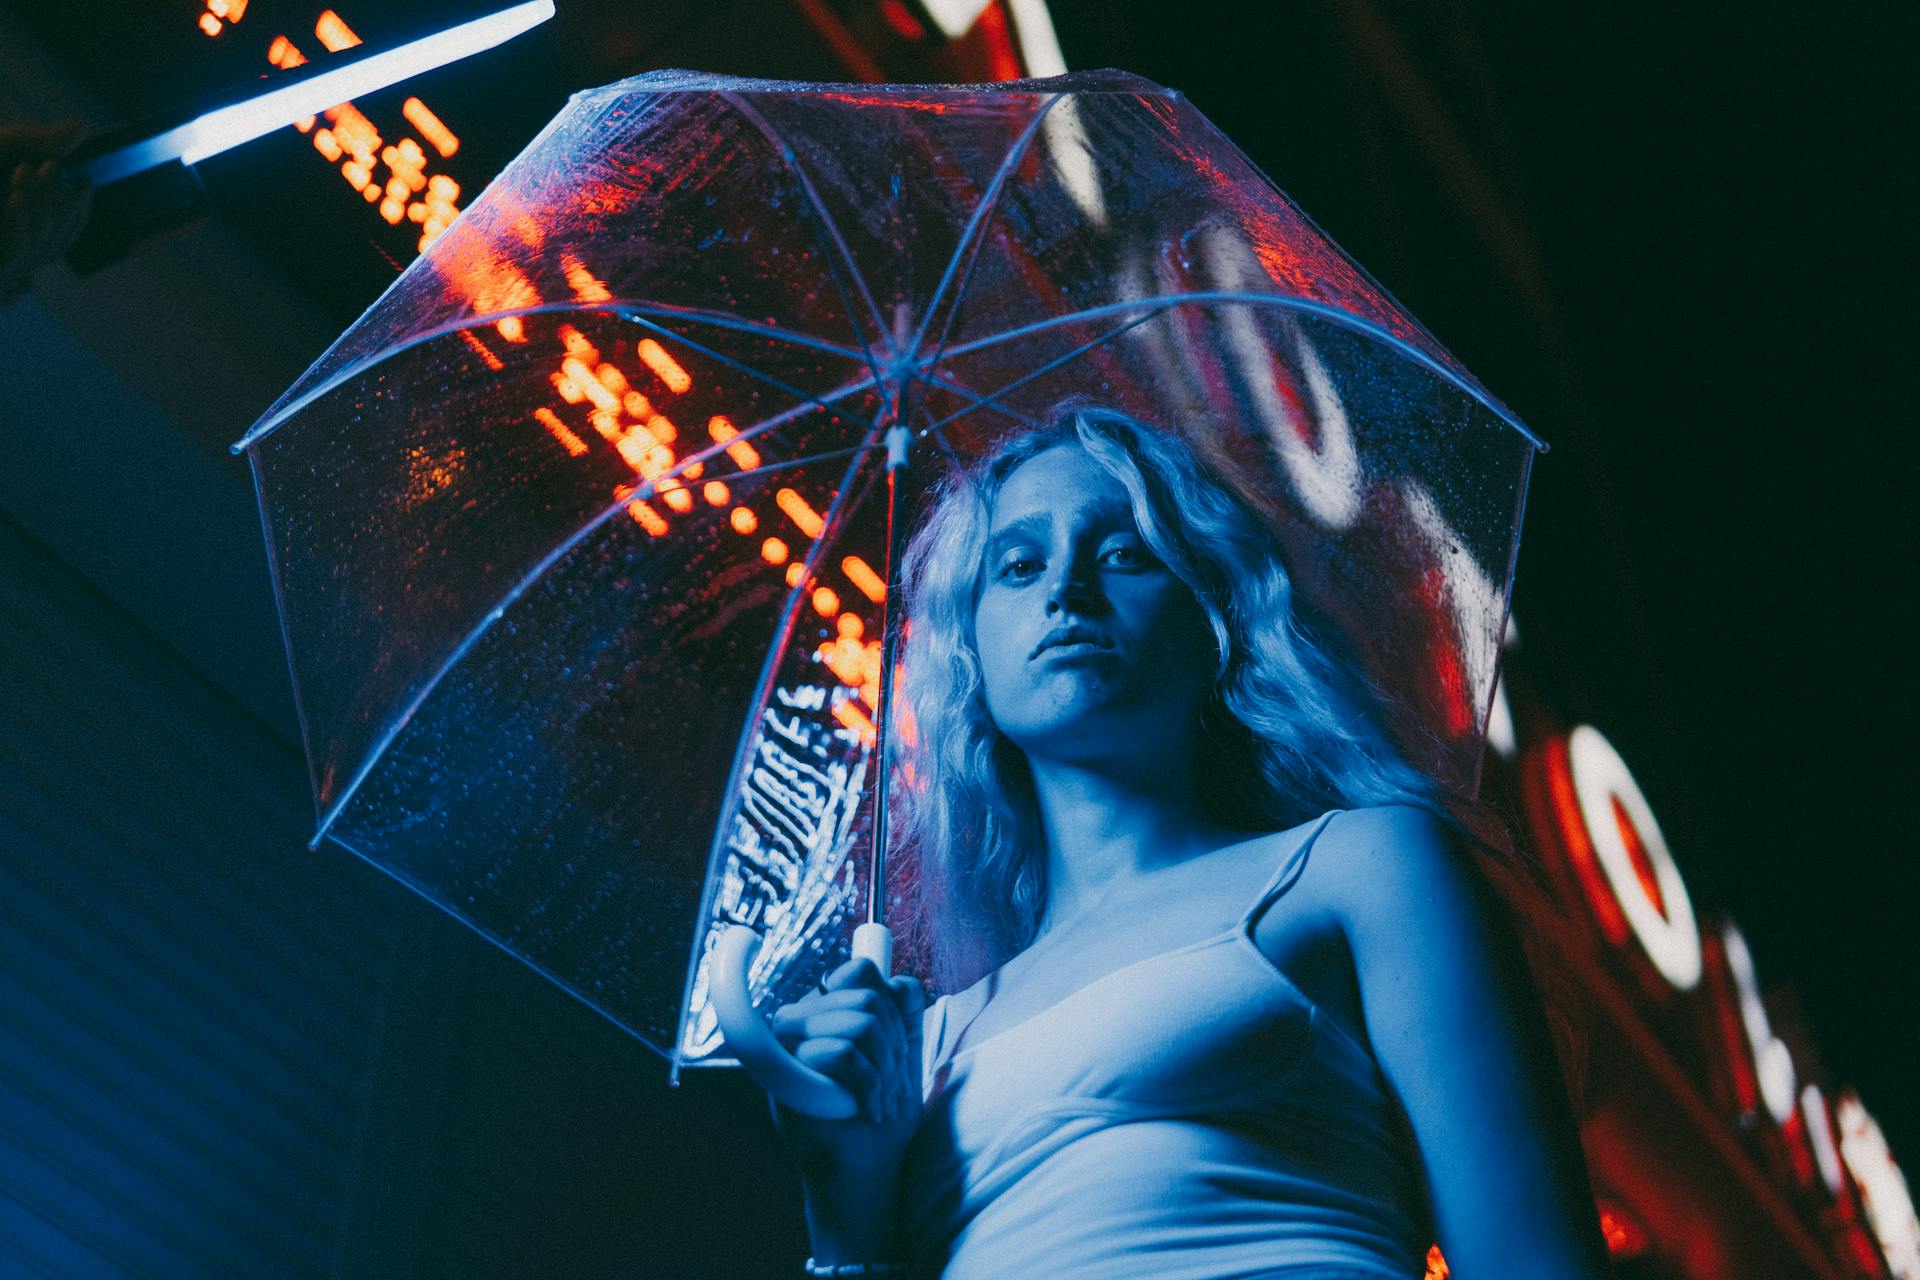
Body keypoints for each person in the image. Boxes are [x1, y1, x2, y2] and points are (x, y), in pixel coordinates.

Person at [763, 404, 1612, 1278]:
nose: (1066, 589)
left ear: (1214, 616)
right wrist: (844, 1213)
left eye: (1125, 553)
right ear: (971, 645)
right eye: (1018, 565)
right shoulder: (920, 1050)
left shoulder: (1361, 868)